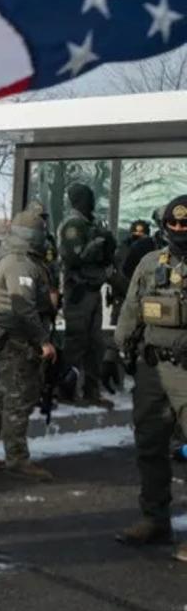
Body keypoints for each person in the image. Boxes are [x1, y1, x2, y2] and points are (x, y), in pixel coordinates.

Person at [114, 195, 187, 556]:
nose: (177, 231)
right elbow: (132, 307)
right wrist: (121, 345)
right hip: (152, 369)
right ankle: (154, 519)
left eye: (183, 227)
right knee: (150, 445)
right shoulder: (149, 262)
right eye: (172, 226)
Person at [0, 205, 57, 480]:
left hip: (16, 337)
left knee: (5, 394)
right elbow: (23, 308)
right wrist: (43, 341)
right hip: (17, 340)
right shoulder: (19, 263)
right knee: (19, 399)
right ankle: (17, 458)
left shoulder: (23, 259)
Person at [58, 183, 116, 409]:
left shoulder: (91, 223)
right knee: (75, 342)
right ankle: (66, 390)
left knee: (95, 343)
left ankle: (92, 391)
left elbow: (104, 257)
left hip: (93, 289)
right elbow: (74, 258)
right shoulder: (73, 225)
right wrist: (96, 244)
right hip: (79, 290)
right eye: (87, 198)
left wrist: (105, 242)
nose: (91, 202)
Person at [104, 220, 157, 392]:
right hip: (124, 299)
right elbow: (116, 275)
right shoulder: (124, 251)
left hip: (142, 301)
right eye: (136, 235)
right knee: (123, 337)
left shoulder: (151, 252)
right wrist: (132, 291)